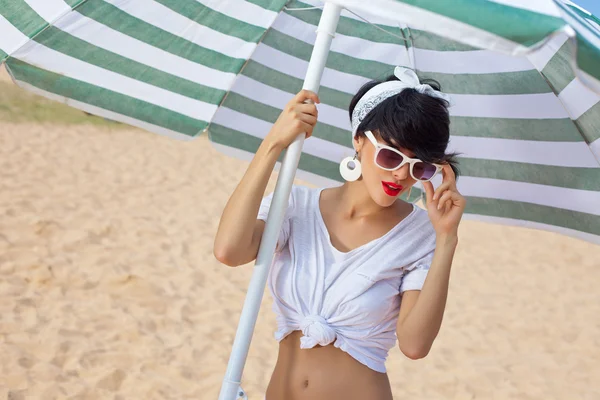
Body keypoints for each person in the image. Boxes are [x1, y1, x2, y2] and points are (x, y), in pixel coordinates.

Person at [214, 66, 466, 400]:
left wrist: (447, 239)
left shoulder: (421, 234)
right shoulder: (295, 204)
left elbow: (415, 345)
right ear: (359, 139)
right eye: (391, 155)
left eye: (419, 166)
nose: (402, 174)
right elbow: (230, 251)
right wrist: (274, 144)